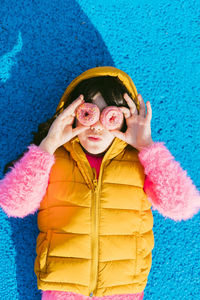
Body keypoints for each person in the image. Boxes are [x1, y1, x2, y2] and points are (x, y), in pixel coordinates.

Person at [0, 66, 199, 300]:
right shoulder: (52, 159)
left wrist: (148, 147)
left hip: (123, 290)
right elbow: (14, 204)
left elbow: (183, 206)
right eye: (88, 114)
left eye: (110, 117)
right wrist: (48, 145)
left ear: (125, 120)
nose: (97, 126)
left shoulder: (141, 162)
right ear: (71, 113)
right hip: (63, 288)